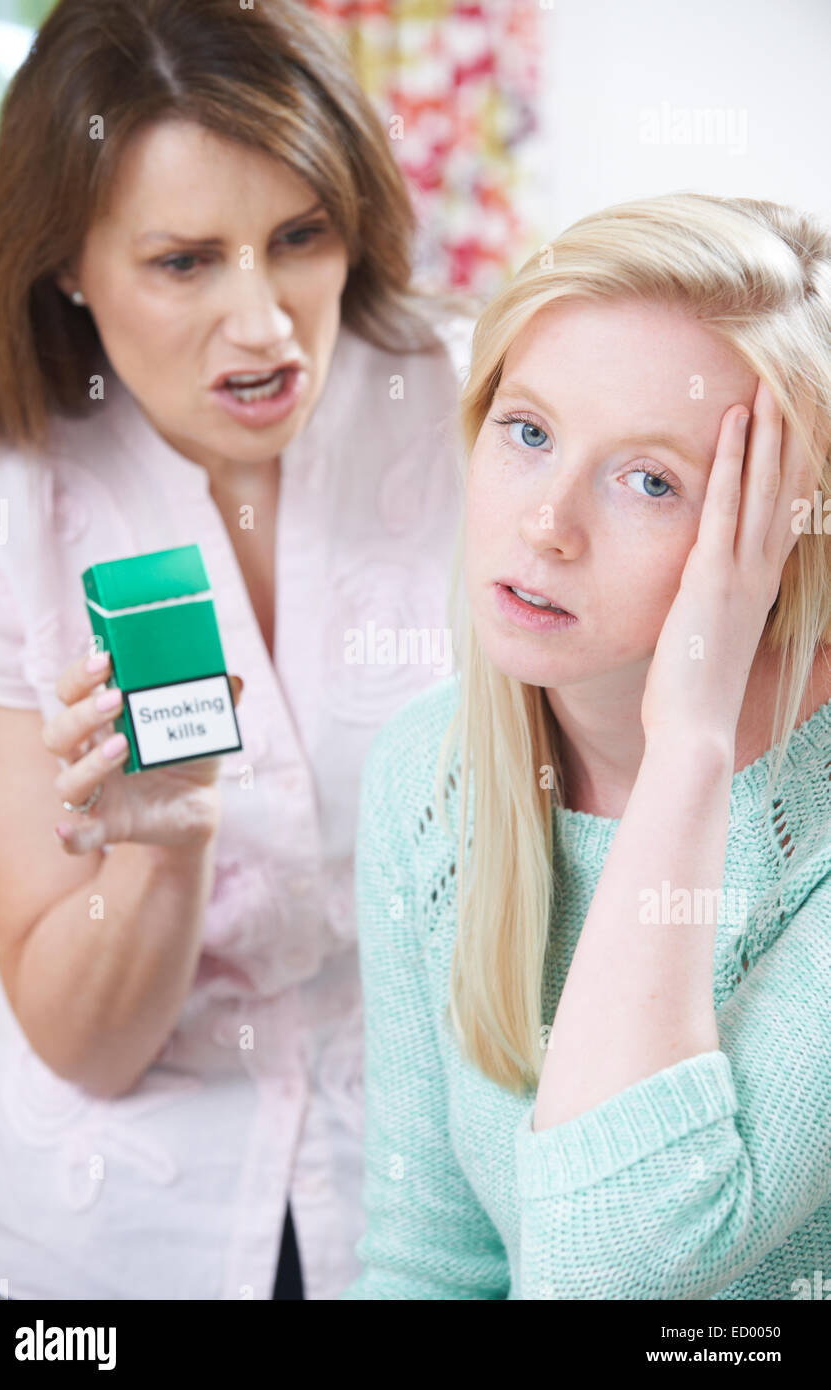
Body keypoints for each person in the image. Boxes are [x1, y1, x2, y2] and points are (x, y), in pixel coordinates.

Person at [0, 0, 475, 1301]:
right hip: (109, 1233)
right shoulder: (0, 504)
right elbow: (84, 1045)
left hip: (432, 1204)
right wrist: (160, 849)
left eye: (298, 236)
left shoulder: (476, 409)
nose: (263, 323)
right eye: (185, 262)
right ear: (66, 263)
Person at [342, 192, 831, 1300]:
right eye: (527, 432)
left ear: (774, 538)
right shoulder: (425, 775)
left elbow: (610, 1270)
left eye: (649, 480)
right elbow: (427, 1264)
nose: (546, 523)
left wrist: (688, 746)